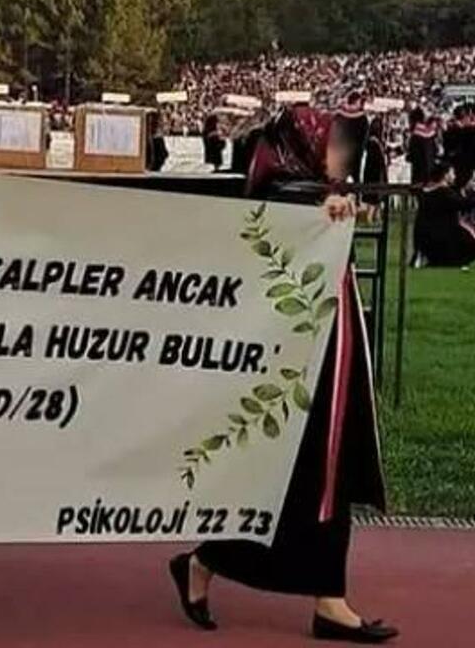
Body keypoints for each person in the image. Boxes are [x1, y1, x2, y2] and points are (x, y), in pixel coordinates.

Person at [171, 105, 398, 644]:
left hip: (329, 339)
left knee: (324, 467)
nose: (340, 158)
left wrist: (338, 208)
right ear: (306, 144)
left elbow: (321, 206)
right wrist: (326, 206)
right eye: (333, 146)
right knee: (300, 468)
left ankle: (327, 598)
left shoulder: (309, 187)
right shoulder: (279, 186)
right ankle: (208, 561)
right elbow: (285, 208)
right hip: (295, 349)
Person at [411, 160, 475, 269]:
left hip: (423, 234)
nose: (454, 176)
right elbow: (464, 205)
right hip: (441, 235)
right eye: (452, 173)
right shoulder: (444, 193)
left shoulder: (427, 191)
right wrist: (474, 192)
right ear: (445, 175)